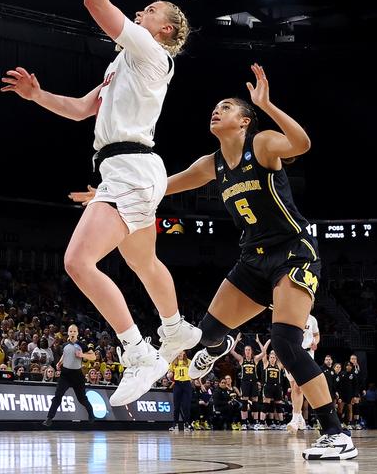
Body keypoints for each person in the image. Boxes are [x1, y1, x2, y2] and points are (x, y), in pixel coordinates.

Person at [83, 66, 353, 459]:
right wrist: (107, 194)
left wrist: (266, 104)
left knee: (285, 343)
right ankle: (222, 344)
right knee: (204, 335)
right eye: (215, 106)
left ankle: (336, 433)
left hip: (292, 252)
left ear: (243, 120)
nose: (216, 110)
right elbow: (159, 188)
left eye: (225, 107)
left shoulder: (261, 145)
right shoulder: (211, 164)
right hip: (251, 259)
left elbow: (302, 143)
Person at [3, 0, 197, 407]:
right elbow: (80, 110)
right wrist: (36, 95)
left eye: (150, 10)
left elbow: (95, 2)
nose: (140, 12)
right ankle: (175, 329)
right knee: (143, 263)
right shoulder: (122, 66)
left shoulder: (152, 53)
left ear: (166, 31)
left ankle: (140, 352)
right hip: (132, 168)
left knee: (78, 261)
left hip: (132, 167)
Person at [43, 325, 96, 427]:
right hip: (65, 375)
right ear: (68, 333)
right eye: (70, 331)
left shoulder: (82, 345)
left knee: (82, 399)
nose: (72, 332)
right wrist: (60, 362)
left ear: (77, 333)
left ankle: (91, 414)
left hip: (77, 375)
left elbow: (93, 356)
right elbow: (65, 354)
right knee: (57, 396)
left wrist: (82, 355)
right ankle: (49, 418)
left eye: (74, 331)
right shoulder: (65, 344)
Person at [286, 314, 319, 431]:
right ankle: (299, 416)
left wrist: (316, 342)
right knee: (293, 387)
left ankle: (294, 419)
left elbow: (316, 335)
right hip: (290, 353)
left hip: (306, 353)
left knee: (298, 387)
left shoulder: (312, 319)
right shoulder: (290, 315)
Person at [170, 350, 193, 432]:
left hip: (187, 384)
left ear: (184, 353)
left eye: (181, 352)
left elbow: (194, 373)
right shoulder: (174, 362)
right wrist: (170, 375)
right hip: (177, 384)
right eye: (178, 353)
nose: (179, 354)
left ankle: (187, 424)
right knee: (176, 406)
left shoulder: (189, 362)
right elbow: (170, 373)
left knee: (186, 406)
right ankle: (175, 424)